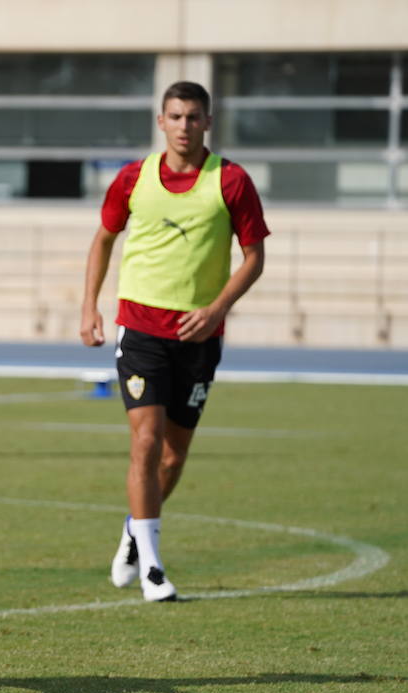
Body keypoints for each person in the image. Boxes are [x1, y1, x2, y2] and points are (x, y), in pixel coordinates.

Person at [80, 81, 268, 601]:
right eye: (176, 116)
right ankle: (154, 570)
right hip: (140, 329)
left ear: (208, 122)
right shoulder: (133, 178)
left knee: (173, 456)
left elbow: (254, 257)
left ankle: (134, 532)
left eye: (194, 117)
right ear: (160, 121)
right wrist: (89, 305)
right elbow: (103, 239)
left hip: (201, 336)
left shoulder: (230, 181)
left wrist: (216, 309)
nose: (184, 125)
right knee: (144, 442)